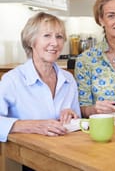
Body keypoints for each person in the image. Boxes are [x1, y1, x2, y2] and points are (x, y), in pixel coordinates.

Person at [0, 12, 81, 142]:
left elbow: (78, 122)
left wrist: (72, 117)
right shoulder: (12, 80)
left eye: (59, 37)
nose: (54, 43)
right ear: (31, 41)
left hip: (65, 151)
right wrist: (30, 126)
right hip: (26, 157)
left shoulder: (68, 79)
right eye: (47, 36)